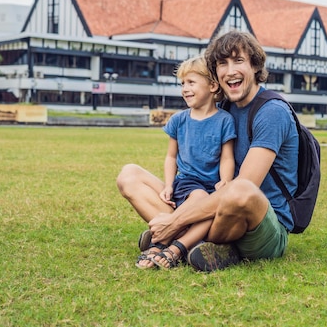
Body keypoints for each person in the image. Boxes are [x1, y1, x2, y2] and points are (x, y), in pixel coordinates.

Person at [117, 30, 299, 272]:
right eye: (222, 63)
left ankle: (175, 238)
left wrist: (173, 221)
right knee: (129, 175)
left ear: (255, 65)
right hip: (214, 209)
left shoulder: (272, 112)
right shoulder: (225, 108)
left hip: (261, 224)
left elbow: (244, 187)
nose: (230, 70)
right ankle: (196, 242)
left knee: (240, 189)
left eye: (239, 60)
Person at [130, 55, 236, 269]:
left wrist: (225, 180)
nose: (185, 89)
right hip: (187, 185)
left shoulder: (225, 120)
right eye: (182, 84)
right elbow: (171, 157)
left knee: (210, 206)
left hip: (211, 188)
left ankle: (171, 245)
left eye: (191, 82)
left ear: (213, 86)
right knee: (200, 198)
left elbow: (227, 157)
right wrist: (168, 185)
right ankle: (167, 242)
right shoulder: (179, 120)